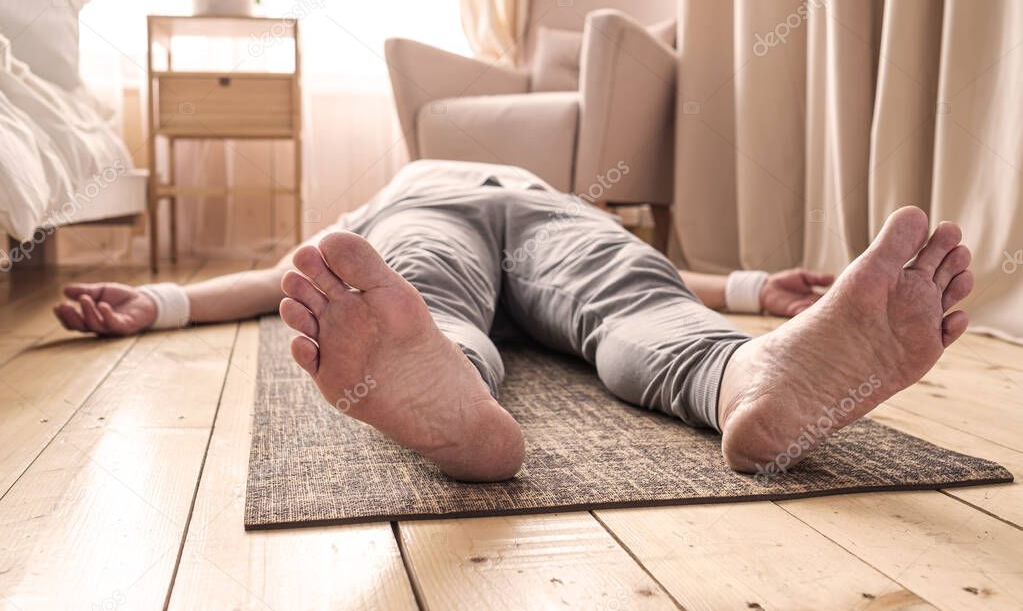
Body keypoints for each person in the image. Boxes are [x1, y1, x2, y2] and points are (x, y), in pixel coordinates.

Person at [53, 160, 974, 482]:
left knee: (632, 286)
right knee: (430, 297)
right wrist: (159, 301)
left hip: (554, 221)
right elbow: (278, 278)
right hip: (439, 222)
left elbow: (662, 269)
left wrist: (749, 286)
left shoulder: (538, 193)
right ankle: (440, 382)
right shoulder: (400, 192)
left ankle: (757, 380)